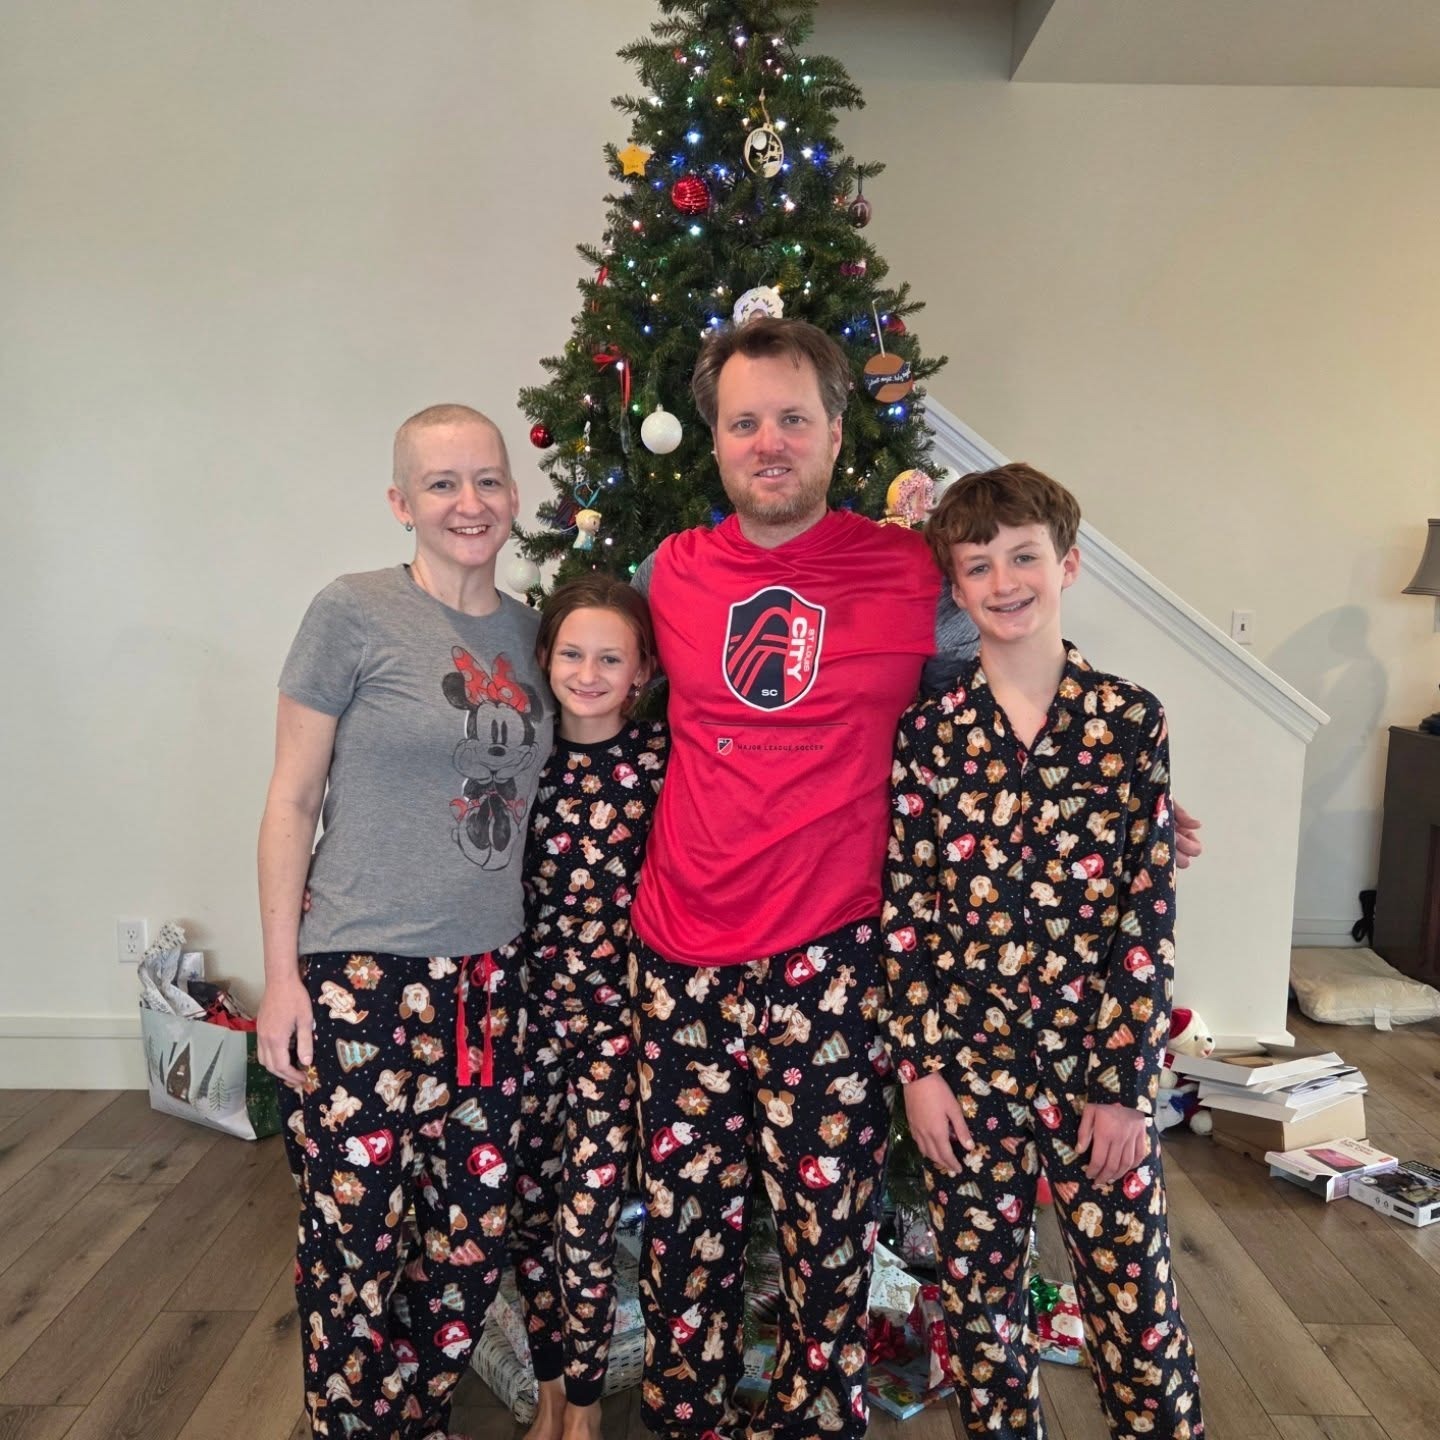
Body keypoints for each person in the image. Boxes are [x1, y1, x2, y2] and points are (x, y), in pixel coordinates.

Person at [882, 463, 1204, 1438]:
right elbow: (908, 915)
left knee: (1138, 1315)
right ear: (956, 585)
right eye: (978, 565)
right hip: (968, 1074)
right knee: (983, 1324)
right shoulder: (929, 736)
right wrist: (921, 1072)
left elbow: (1147, 913)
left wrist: (1126, 1085)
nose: (1004, 581)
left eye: (1023, 557)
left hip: (1094, 1071)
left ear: (1067, 564)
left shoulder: (1128, 720)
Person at [256, 404, 552, 1440]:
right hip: (360, 977)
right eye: (442, 484)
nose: (469, 503)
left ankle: (414, 1416)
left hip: (490, 985)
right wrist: (281, 980)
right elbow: (291, 800)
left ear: (513, 495)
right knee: (355, 1244)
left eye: (487, 480)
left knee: (470, 1246)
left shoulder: (533, 636)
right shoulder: (353, 611)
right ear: (401, 502)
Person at [508, 577, 668, 1440]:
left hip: (618, 1033)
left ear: (642, 669)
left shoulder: (662, 763)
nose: (588, 672)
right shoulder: (517, 758)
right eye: (572, 653)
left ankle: (584, 1401)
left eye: (611, 657)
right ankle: (546, 1388)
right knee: (529, 1216)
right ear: (545, 658)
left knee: (588, 1220)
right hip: (525, 1024)